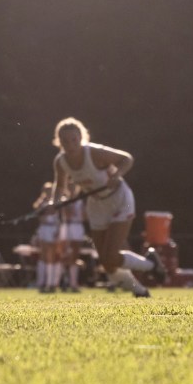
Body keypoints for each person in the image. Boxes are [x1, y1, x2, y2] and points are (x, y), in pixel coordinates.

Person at [50, 117, 165, 297]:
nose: (70, 144)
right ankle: (140, 290)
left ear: (81, 138)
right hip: (96, 205)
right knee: (106, 262)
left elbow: (126, 159)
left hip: (120, 200)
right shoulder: (60, 161)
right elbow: (60, 186)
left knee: (111, 255)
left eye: (74, 139)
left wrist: (117, 175)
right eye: (65, 141)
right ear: (59, 142)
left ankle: (151, 265)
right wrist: (54, 203)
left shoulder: (95, 153)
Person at [31, 183, 62, 293]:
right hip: (45, 230)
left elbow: (58, 219)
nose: (49, 192)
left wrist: (58, 231)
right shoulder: (41, 204)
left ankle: (52, 283)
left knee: (53, 257)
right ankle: (42, 283)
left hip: (54, 230)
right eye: (47, 190)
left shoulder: (56, 204)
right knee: (44, 257)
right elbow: (40, 217)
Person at [58, 185, 88, 293]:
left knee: (75, 255)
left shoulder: (80, 202)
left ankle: (73, 283)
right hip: (67, 227)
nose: (71, 190)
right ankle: (63, 281)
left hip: (77, 227)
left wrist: (82, 208)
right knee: (64, 255)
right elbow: (68, 214)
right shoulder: (64, 200)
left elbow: (85, 217)